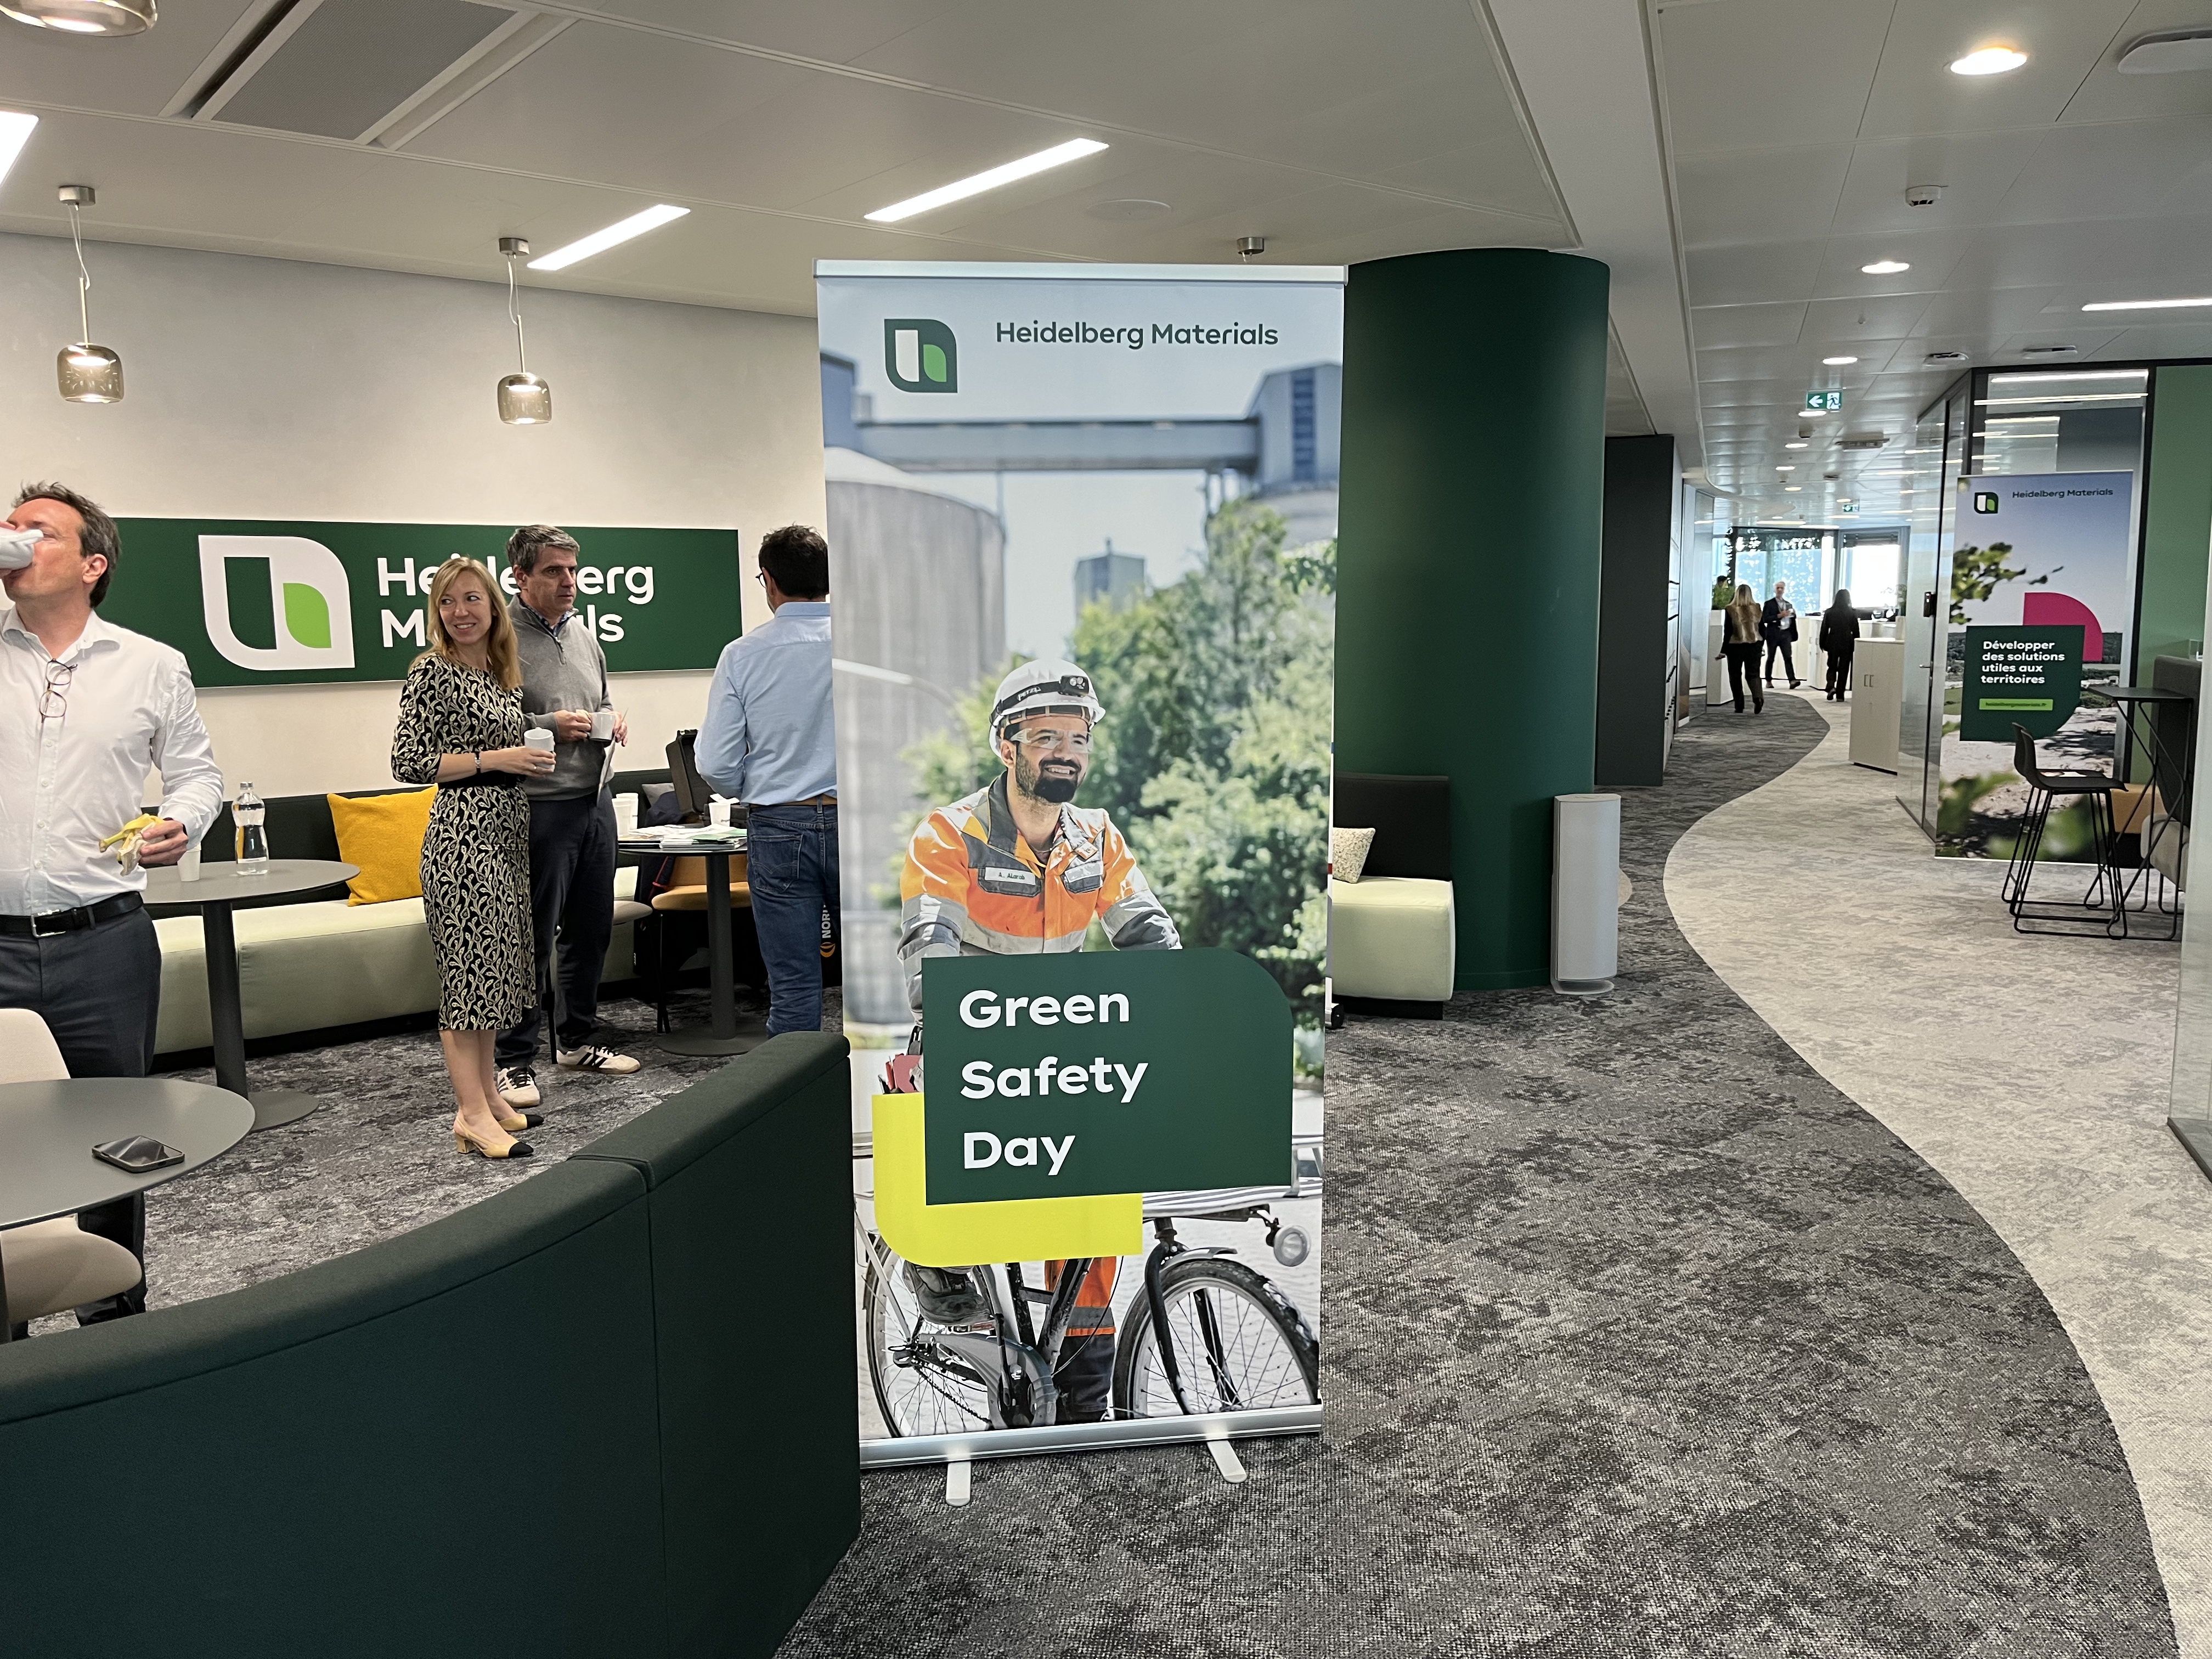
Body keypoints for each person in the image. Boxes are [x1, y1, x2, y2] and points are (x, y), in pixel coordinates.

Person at [895, 657, 1182, 1421]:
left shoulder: (1098, 840)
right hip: (971, 1049)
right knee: (950, 1180)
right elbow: (930, 965)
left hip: (1063, 1055)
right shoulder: (948, 837)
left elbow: (1153, 938)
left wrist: (1181, 1007)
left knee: (1096, 1220)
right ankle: (948, 1280)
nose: (1066, 750)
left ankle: (1084, 1386)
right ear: (1006, 745)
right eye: (1045, 734)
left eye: (1078, 737)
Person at [0, 482, 223, 1322]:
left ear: (93, 565)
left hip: (106, 941)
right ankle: (6, 1323)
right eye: (10, 527)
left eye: (39, 532)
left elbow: (198, 773)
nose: (16, 540)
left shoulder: (151, 665)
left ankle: (115, 1321)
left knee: (116, 1143)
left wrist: (182, 820)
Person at [390, 558, 554, 1160]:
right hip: (463, 839)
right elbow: (408, 763)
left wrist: (523, 759)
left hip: (505, 837)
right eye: (447, 602)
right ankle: (468, 1114)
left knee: (497, 977)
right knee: (468, 982)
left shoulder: (497, 673)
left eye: (471, 600)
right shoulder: (431, 673)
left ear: (493, 606)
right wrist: (495, 759)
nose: (460, 612)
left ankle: (489, 1098)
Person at [492, 526, 640, 1111]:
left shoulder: (583, 634)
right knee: (529, 938)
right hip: (537, 807)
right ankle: (513, 1060)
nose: (568, 583)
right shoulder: (499, 640)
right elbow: (488, 728)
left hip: (594, 802)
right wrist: (551, 727)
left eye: (572, 571)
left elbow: (600, 698)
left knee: (590, 929)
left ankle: (577, 1040)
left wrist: (612, 718)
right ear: (521, 576)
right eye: (554, 571)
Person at [697, 525, 839, 1037]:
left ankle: (799, 1107)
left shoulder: (743, 654)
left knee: (795, 985)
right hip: (860, 824)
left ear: (769, 583)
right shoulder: (864, 646)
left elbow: (714, 761)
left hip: (780, 824)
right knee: (879, 979)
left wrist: (751, 787)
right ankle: (889, 1102)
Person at [1723, 583, 1765, 714]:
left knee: (1735, 676)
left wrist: (1723, 650)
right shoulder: (1757, 608)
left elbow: (1728, 632)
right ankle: (1758, 698)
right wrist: (1761, 645)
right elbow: (1763, 629)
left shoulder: (1730, 609)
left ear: (1737, 594)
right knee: (1753, 675)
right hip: (1754, 646)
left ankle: (1739, 705)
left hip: (1736, 647)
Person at [1820, 588, 1862, 702]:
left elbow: (1824, 629)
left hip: (1833, 641)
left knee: (1832, 666)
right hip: (1847, 643)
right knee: (1844, 669)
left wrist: (1822, 643)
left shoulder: (1829, 612)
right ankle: (1840, 695)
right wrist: (1856, 644)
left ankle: (1831, 685)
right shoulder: (1852, 612)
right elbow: (1856, 631)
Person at [1762, 579, 1801, 689]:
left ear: (1784, 590)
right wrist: (1779, 616)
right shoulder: (1769, 604)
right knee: (1771, 658)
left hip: (1786, 633)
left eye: (1782, 588)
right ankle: (1768, 680)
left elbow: (1792, 619)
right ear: (1775, 589)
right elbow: (1765, 619)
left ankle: (1792, 680)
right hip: (1773, 633)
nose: (1779, 590)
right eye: (1778, 588)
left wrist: (1792, 615)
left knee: (1788, 657)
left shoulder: (1788, 605)